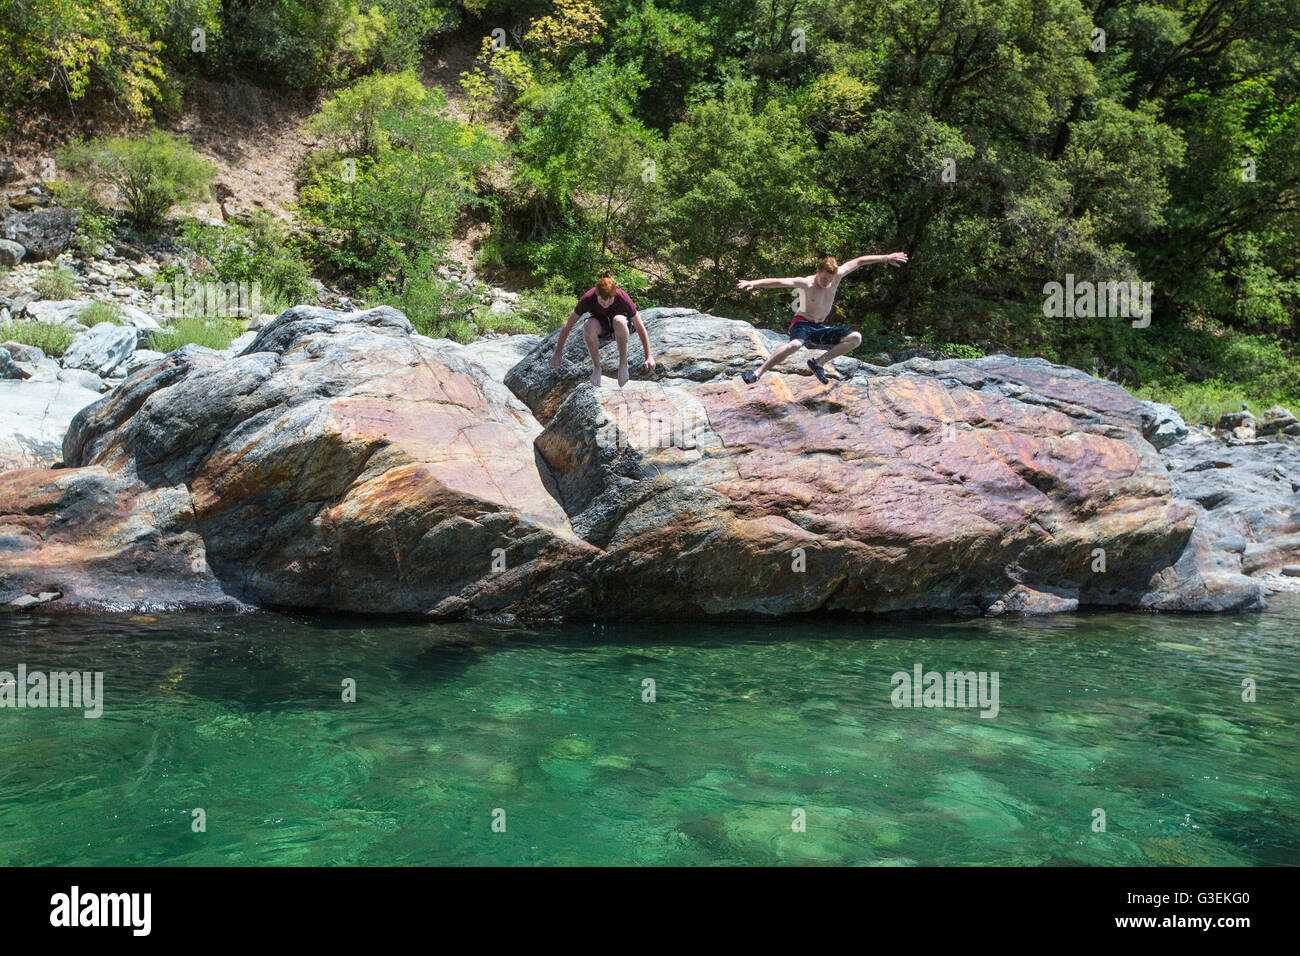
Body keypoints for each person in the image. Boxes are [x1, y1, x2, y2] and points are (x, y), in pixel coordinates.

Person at [736, 251, 908, 384]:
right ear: (818, 271)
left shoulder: (837, 275)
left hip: (819, 327)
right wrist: (754, 283)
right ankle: (757, 373)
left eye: (830, 280)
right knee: (795, 344)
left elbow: (860, 261)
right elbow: (779, 282)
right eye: (824, 279)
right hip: (801, 323)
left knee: (856, 338)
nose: (826, 283)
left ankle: (818, 363)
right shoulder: (806, 283)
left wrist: (886, 257)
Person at [549, 273, 656, 387]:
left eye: (609, 301)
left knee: (619, 320)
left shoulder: (622, 298)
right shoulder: (588, 299)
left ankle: (623, 364)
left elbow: (640, 327)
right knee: (588, 324)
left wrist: (648, 356)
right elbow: (568, 325)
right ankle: (597, 367)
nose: (606, 304)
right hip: (603, 328)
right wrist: (558, 352)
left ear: (614, 295)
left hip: (622, 327)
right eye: (602, 301)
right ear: (596, 294)